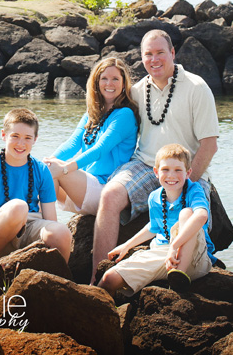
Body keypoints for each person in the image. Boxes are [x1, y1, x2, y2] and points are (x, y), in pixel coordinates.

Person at [91, 29, 219, 282]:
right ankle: (97, 276)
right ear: (141, 58)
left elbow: (209, 145)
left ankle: (180, 275)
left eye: (160, 52)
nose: (154, 59)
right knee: (109, 195)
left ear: (172, 53)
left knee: (189, 214)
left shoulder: (196, 87)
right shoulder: (137, 91)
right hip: (144, 164)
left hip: (184, 169)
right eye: (148, 54)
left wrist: (186, 180)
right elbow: (110, 121)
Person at [98, 143, 216, 296]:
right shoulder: (155, 197)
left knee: (187, 213)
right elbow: (153, 227)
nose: (171, 175)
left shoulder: (194, 190)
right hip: (164, 254)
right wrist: (126, 246)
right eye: (165, 169)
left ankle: (178, 279)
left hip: (194, 257)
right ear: (156, 172)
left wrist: (175, 245)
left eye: (178, 170)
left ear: (188, 173)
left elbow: (201, 215)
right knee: (109, 279)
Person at [0, 107, 72, 267]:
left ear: (35, 139)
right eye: (15, 136)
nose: (21, 143)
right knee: (18, 207)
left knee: (62, 232)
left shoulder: (42, 170)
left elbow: (51, 220)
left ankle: (58, 280)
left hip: (30, 228)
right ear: (3, 135)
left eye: (27, 138)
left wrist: (53, 236)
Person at [44, 57, 139, 215]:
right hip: (84, 186)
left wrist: (64, 169)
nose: (109, 84)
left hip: (105, 188)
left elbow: (99, 150)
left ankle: (49, 229)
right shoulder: (92, 113)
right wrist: (46, 161)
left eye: (115, 79)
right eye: (104, 78)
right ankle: (45, 225)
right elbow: (72, 144)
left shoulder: (125, 115)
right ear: (96, 82)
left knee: (53, 169)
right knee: (46, 169)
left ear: (124, 83)